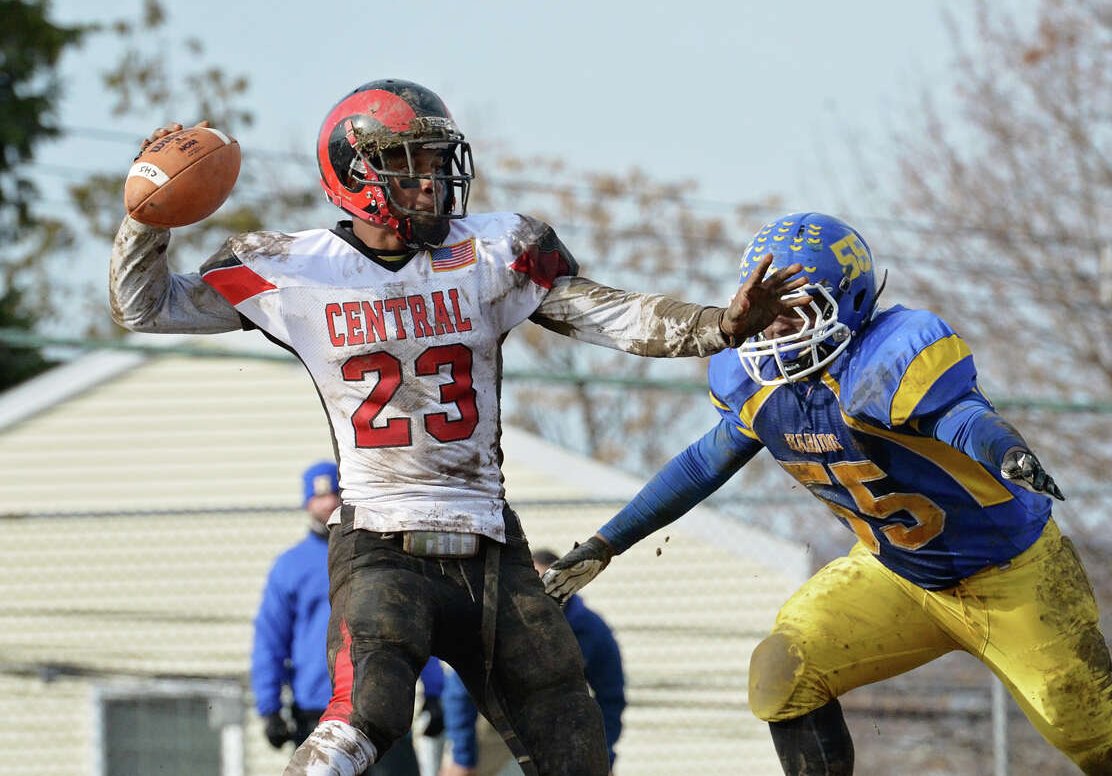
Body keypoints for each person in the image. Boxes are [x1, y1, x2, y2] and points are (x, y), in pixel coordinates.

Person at [108, 78, 809, 776]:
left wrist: (717, 325)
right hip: (381, 541)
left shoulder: (494, 251)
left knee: (574, 742)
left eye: (439, 158)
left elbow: (608, 313)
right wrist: (147, 216)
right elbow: (145, 307)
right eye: (408, 161)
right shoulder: (294, 267)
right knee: (364, 716)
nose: (432, 178)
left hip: (489, 544)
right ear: (356, 174)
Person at [543, 213, 1112, 776]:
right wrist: (607, 542)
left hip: (1015, 579)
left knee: (1104, 747)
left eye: (795, 308)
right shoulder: (755, 381)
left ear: (847, 303)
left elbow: (960, 418)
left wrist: (1008, 450)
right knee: (783, 671)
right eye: (766, 308)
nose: (775, 327)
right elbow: (701, 463)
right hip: (898, 575)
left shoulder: (890, 353)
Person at [252, 460, 444, 776]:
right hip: (317, 710)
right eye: (319, 497)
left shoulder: (382, 554)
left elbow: (412, 621)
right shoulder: (290, 566)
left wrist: (434, 691)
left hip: (382, 701)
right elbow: (270, 639)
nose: (328, 503)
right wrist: (269, 707)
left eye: (334, 495)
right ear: (306, 503)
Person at [440, 548, 624, 776]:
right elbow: (459, 692)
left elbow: (611, 696)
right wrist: (463, 757)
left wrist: (603, 753)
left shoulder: (590, 630)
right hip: (496, 718)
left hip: (560, 720)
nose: (541, 594)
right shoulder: (494, 621)